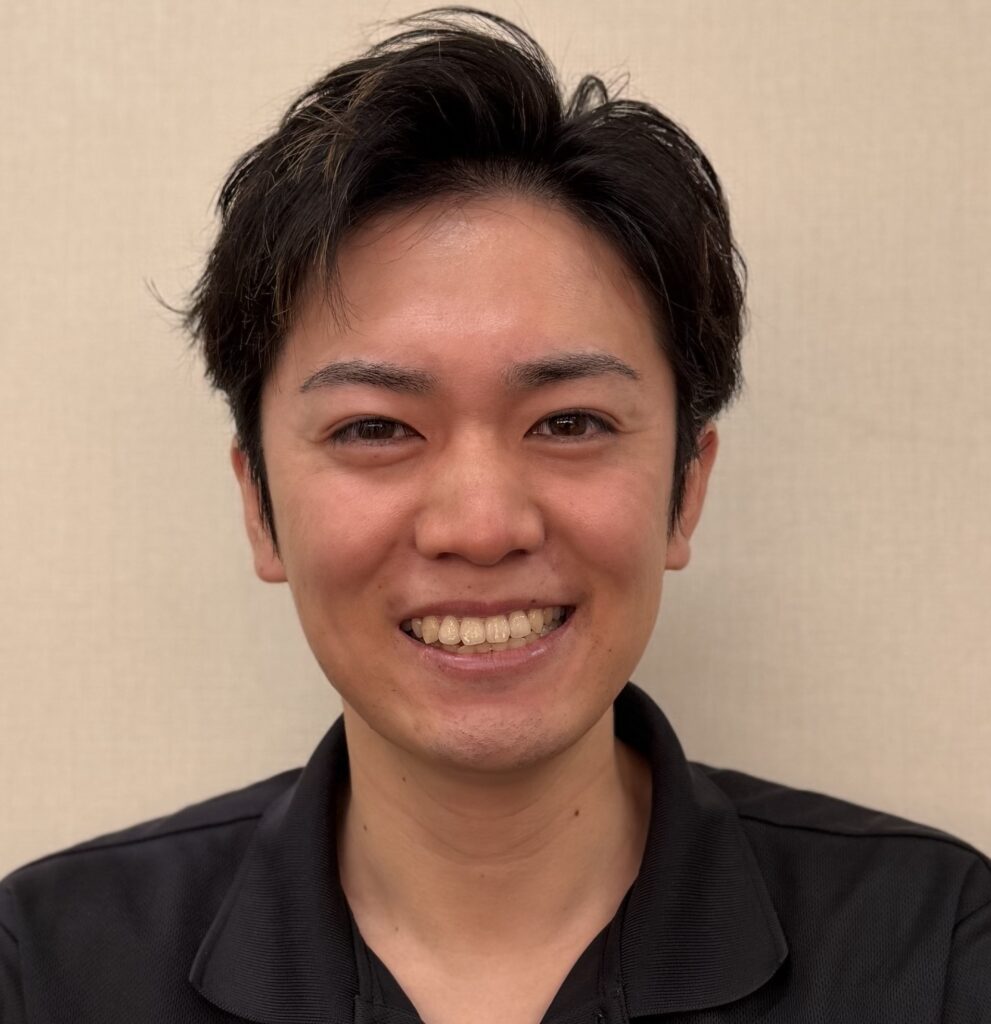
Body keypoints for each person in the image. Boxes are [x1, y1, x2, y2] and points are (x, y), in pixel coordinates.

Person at [1, 8, 988, 1022]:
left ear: (685, 489)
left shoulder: (931, 950)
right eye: (376, 428)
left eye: (568, 422)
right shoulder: (55, 968)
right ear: (258, 504)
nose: (480, 527)